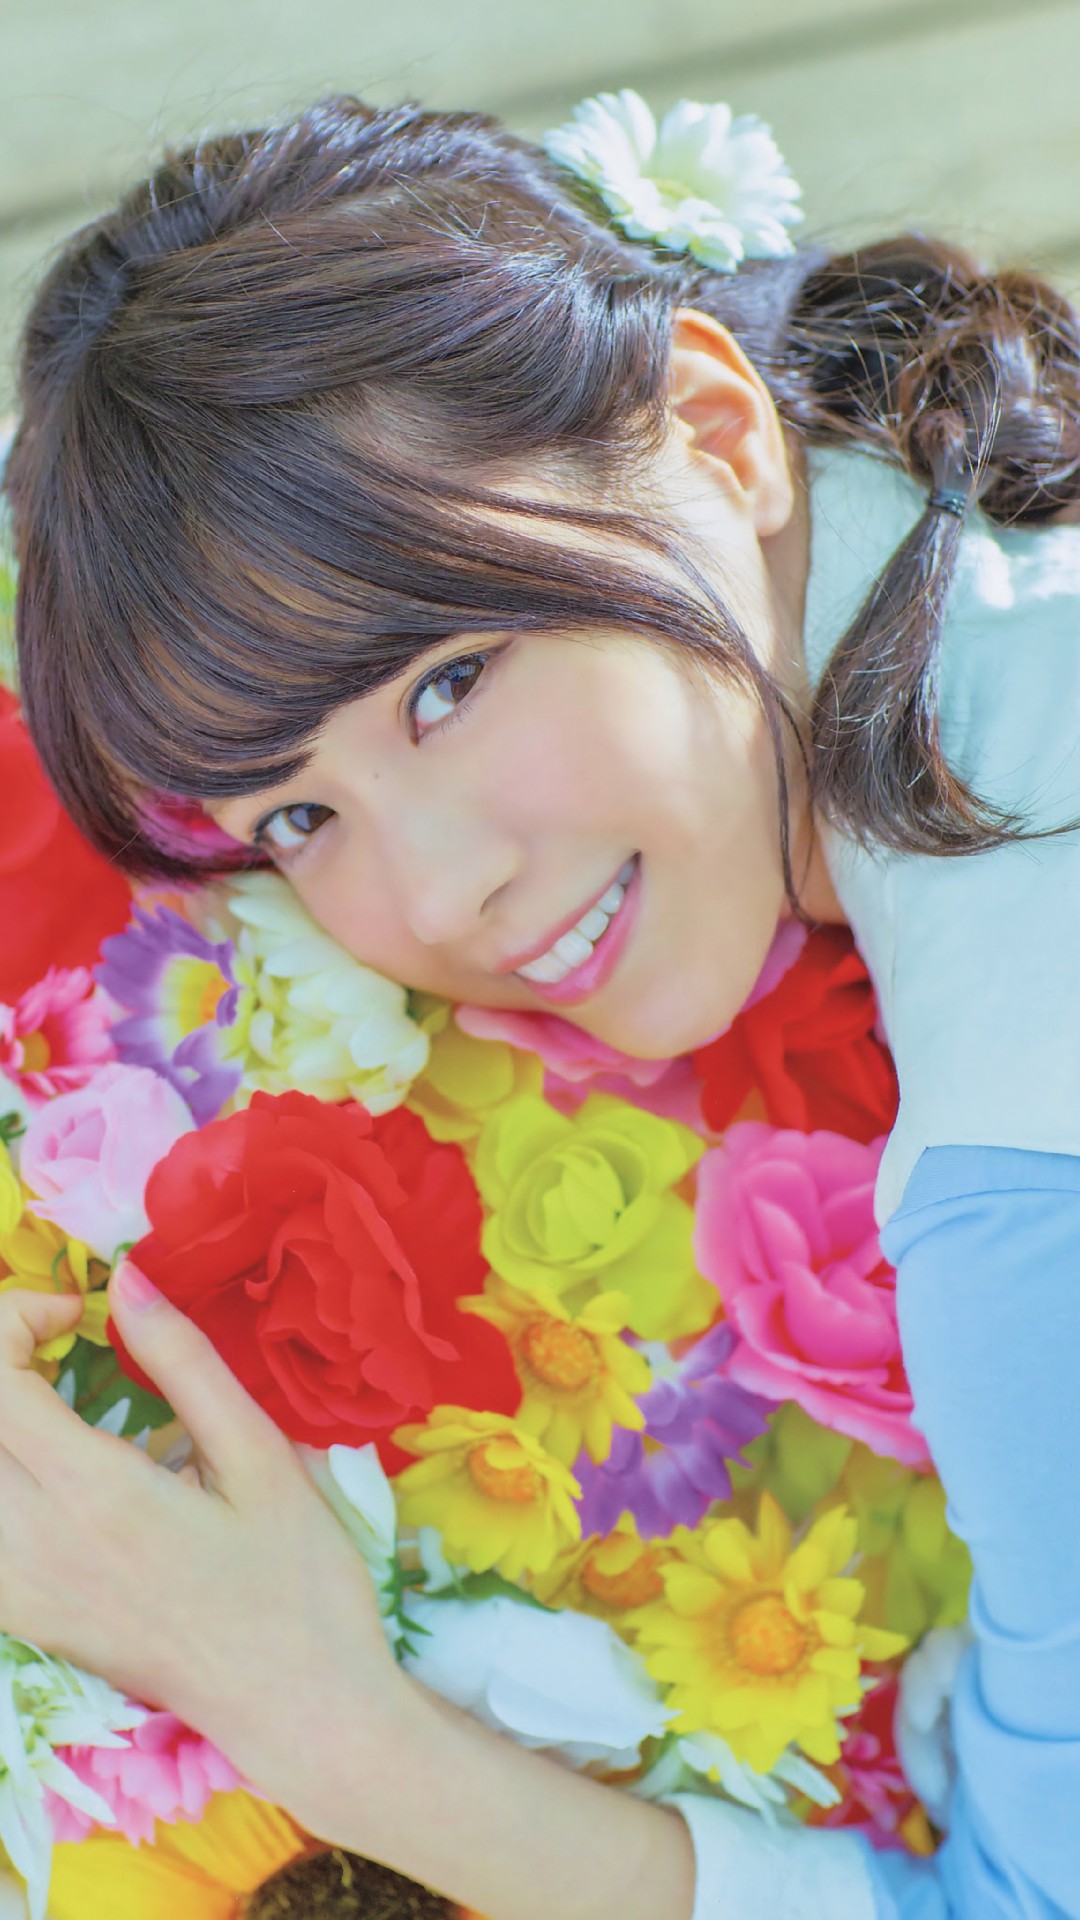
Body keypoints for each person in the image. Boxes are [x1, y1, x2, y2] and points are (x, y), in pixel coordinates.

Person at [3, 88, 1080, 1920]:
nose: (434, 900)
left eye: (449, 680)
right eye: (296, 818)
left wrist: (328, 1729)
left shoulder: (1026, 1181)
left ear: (716, 431)